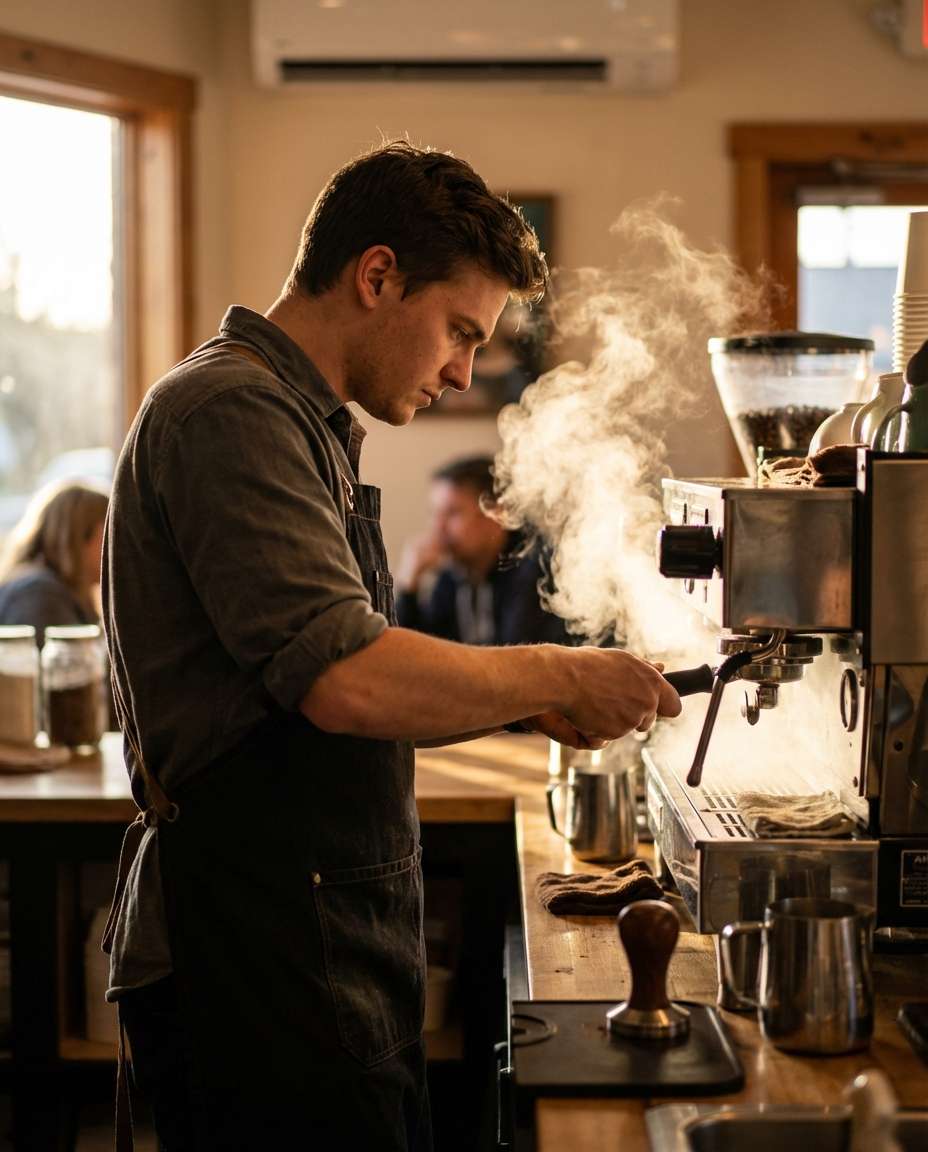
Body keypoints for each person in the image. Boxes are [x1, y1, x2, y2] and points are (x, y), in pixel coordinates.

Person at [103, 140, 681, 1152]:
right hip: (255, 942)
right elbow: (343, 680)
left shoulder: (304, 418)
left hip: (315, 929)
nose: (464, 372)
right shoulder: (229, 409)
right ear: (377, 276)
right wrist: (552, 670)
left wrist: (513, 699)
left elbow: (341, 660)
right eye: (459, 331)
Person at [397, 455, 571, 645]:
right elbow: (417, 655)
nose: (438, 528)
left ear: (496, 514)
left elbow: (516, 661)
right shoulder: (452, 577)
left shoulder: (535, 571)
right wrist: (408, 587)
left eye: (452, 513)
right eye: (434, 514)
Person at [0, 481, 108, 645]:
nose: (117, 549)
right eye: (109, 536)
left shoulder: (53, 590)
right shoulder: (39, 593)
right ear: (79, 538)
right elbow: (69, 666)